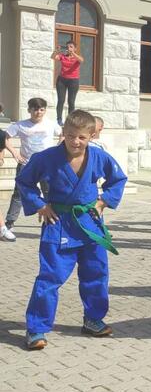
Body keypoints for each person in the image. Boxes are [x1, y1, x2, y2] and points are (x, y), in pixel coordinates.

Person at [17, 110, 127, 350]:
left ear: (92, 135)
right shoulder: (45, 158)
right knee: (50, 278)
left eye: (82, 137)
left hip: (89, 223)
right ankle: (36, 328)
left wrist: (102, 201)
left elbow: (118, 179)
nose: (75, 142)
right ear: (63, 133)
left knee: (96, 274)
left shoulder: (99, 157)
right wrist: (40, 205)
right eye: (70, 136)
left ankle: (93, 319)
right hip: (58, 223)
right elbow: (25, 181)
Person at [3, 97, 62, 242]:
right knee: (18, 194)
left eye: (42, 109)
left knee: (49, 194)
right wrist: (15, 153)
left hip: (47, 165)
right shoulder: (21, 125)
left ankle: (51, 223)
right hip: (27, 164)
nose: (38, 112)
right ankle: (9, 224)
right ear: (29, 110)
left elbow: (63, 134)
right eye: (35, 109)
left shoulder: (50, 124)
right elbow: (5, 137)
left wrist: (57, 149)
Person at [51, 42, 84, 125]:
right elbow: (53, 57)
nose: (69, 48)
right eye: (67, 47)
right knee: (61, 100)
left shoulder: (77, 58)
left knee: (71, 102)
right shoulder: (63, 56)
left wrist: (73, 54)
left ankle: (70, 121)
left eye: (71, 47)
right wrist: (56, 50)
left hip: (73, 81)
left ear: (75, 48)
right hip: (62, 80)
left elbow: (82, 60)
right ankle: (59, 119)